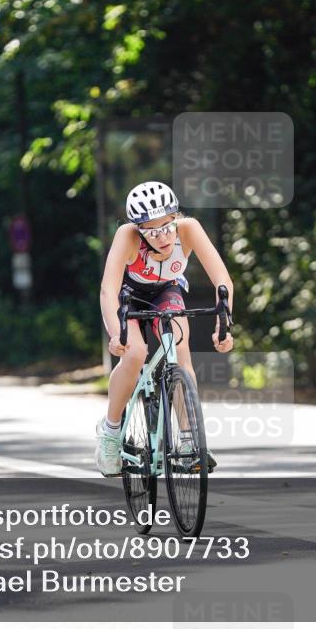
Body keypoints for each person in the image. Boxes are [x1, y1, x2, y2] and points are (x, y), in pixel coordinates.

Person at [96, 181, 234, 476]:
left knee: (180, 351)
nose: (163, 236)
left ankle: (188, 440)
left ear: (176, 216)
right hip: (128, 297)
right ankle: (110, 431)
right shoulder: (126, 236)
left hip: (165, 292)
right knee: (135, 354)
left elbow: (222, 280)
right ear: (139, 229)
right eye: (152, 231)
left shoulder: (190, 228)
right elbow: (108, 291)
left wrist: (224, 324)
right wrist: (115, 334)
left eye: (168, 226)